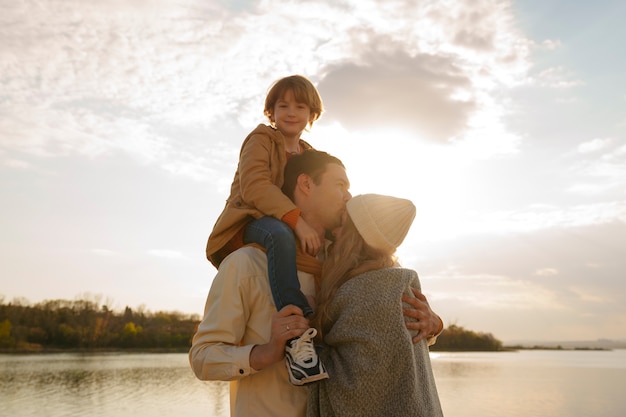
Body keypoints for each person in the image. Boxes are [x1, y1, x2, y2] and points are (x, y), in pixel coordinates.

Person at [190, 150, 443, 417]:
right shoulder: (246, 264)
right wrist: (264, 353)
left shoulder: (345, 268)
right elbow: (202, 357)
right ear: (306, 184)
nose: (348, 197)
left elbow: (377, 341)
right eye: (340, 186)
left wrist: (432, 326)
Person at [205, 75, 328, 384]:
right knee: (279, 234)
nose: (290, 112)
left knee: (335, 247)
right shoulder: (260, 140)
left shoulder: (310, 154)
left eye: (300, 106)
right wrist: (297, 221)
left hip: (290, 223)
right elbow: (255, 186)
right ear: (270, 111)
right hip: (250, 222)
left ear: (312, 114)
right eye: (282, 105)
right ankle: (297, 328)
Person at [308, 193, 444, 417]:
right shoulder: (398, 286)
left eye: (342, 225)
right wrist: (437, 325)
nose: (334, 233)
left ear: (356, 237)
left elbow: (359, 391)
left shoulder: (366, 293)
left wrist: (307, 328)